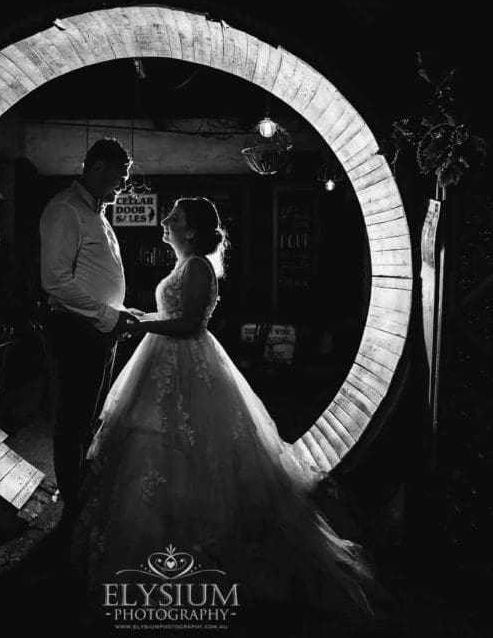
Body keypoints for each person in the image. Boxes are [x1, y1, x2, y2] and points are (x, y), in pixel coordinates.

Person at [70, 197, 379, 633]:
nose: (165, 221)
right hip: (167, 358)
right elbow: (176, 316)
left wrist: (139, 324)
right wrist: (145, 316)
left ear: (191, 231)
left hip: (185, 360)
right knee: (163, 449)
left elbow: (190, 325)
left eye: (173, 218)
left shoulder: (197, 266)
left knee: (187, 445)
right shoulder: (188, 264)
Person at [39, 137, 143, 523]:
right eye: (120, 175)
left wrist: (117, 310)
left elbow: (94, 274)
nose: (122, 184)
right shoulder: (65, 209)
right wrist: (106, 315)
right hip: (78, 328)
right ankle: (72, 504)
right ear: (97, 167)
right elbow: (56, 281)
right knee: (74, 418)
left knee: (90, 414)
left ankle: (81, 487)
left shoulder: (96, 212)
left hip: (101, 326)